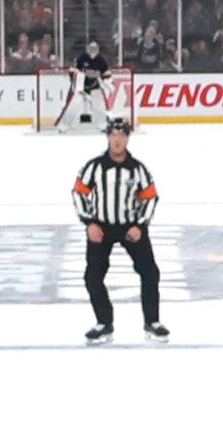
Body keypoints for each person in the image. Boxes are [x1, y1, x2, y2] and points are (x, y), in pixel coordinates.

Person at [72, 114, 164, 344]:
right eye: (113, 135)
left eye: (122, 135)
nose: (117, 141)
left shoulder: (138, 169)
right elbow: (79, 192)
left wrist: (140, 225)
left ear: (128, 138)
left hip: (130, 227)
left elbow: (150, 197)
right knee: (93, 276)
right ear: (107, 137)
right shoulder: (94, 167)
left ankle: (152, 321)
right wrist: (89, 222)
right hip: (100, 228)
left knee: (150, 272)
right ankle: (104, 323)